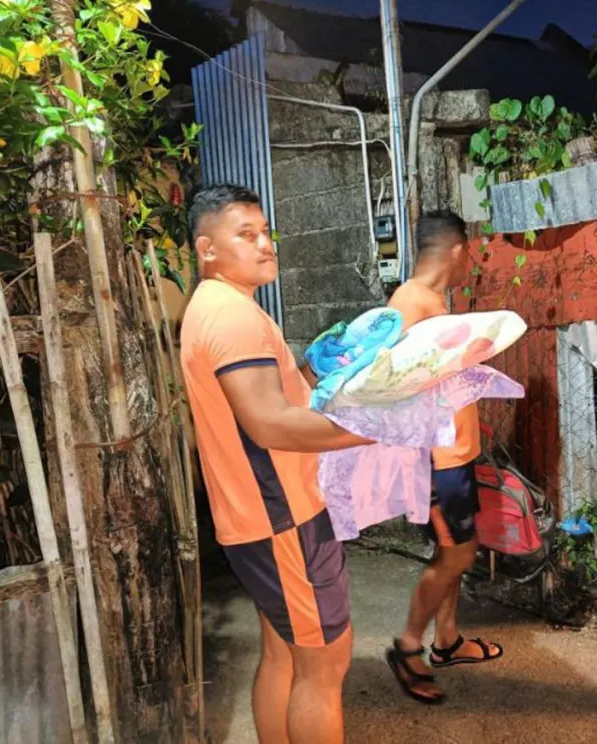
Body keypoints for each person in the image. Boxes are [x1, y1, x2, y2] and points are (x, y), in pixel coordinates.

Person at [180, 185, 370, 744]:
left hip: (259, 516)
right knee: (324, 666)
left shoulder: (222, 307)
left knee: (285, 655)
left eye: (267, 233)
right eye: (246, 235)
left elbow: (271, 399)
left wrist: (310, 369)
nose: (266, 245)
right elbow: (268, 424)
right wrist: (370, 432)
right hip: (281, 517)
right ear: (206, 248)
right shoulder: (231, 317)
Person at [384, 211, 504, 704]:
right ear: (456, 250)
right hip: (437, 460)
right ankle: (408, 644)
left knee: (450, 550)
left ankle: (447, 640)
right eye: (469, 252)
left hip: (455, 452)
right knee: (459, 552)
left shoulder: (432, 301)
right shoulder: (409, 304)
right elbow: (392, 382)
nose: (470, 261)